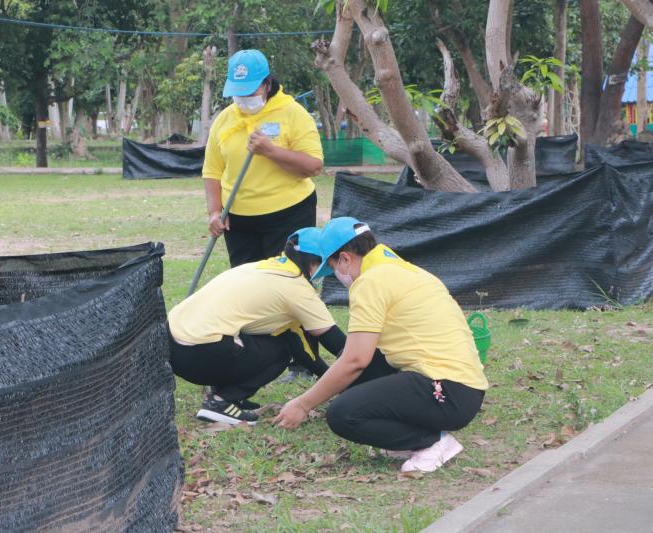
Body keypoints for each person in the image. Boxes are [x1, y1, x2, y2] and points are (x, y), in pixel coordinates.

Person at [274, 217, 489, 473]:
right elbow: (358, 355)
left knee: (343, 414)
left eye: (333, 268)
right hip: (464, 388)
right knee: (352, 368)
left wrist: (303, 404)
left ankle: (432, 443)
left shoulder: (370, 281)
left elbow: (356, 360)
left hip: (447, 392)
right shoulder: (405, 270)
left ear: (345, 258)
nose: (337, 277)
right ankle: (406, 433)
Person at [204, 49, 324, 382]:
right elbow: (212, 171)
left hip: (288, 212)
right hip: (239, 219)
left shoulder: (292, 113)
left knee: (292, 285)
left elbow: (314, 166)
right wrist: (215, 211)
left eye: (250, 91)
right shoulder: (226, 120)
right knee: (246, 285)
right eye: (237, 93)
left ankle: (305, 359)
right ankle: (258, 353)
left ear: (267, 84)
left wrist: (271, 151)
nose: (243, 99)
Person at [167, 228, 347, 425]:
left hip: (172, 347)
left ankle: (226, 396)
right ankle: (221, 402)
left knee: (252, 336)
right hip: (201, 353)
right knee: (283, 348)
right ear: (314, 262)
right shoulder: (297, 288)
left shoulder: (261, 267)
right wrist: (341, 381)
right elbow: (335, 345)